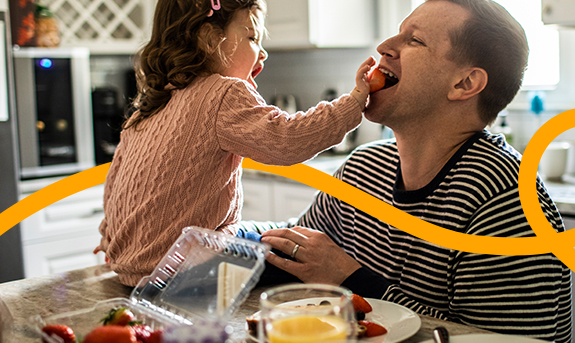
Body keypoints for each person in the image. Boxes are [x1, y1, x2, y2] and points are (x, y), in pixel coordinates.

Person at [235, 0, 572, 342]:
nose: (383, 48)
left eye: (414, 40)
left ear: (464, 83)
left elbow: (491, 338)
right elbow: (296, 244)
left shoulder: (507, 201)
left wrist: (351, 278)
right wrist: (213, 236)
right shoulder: (364, 167)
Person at [95, 0, 376, 287]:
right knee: (304, 258)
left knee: (270, 234)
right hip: (188, 270)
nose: (262, 51)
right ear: (209, 39)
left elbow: (115, 186)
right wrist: (352, 104)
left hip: (131, 271)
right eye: (252, 37)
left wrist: (110, 237)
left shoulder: (147, 108)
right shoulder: (222, 93)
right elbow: (287, 140)